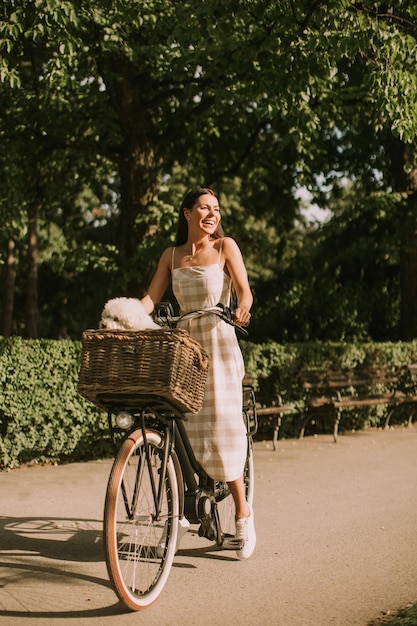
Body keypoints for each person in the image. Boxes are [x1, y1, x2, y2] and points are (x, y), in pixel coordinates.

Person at [140, 187, 256, 559]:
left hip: (219, 343)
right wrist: (126, 314)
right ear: (186, 213)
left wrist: (241, 309)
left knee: (222, 425)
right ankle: (183, 506)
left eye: (216, 208)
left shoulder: (225, 247)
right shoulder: (171, 255)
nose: (212, 214)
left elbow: (245, 291)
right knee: (179, 424)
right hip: (185, 347)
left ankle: (242, 511)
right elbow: (151, 299)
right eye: (204, 208)